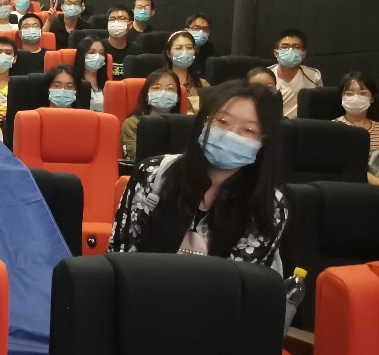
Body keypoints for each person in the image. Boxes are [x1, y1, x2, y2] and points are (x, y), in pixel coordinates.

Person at [110, 81, 287, 271]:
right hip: (141, 286)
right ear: (204, 122)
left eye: (249, 130)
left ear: (264, 141)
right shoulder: (151, 174)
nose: (230, 134)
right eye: (222, 121)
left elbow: (243, 280)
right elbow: (121, 254)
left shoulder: (270, 205)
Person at [334, 72, 379, 186]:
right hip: (349, 187)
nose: (355, 98)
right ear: (342, 98)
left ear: (372, 98)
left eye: (362, 93)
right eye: (349, 93)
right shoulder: (331, 129)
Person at [120, 69, 182, 161]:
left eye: (170, 88)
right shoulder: (133, 123)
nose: (163, 92)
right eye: (156, 88)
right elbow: (134, 156)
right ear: (146, 95)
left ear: (177, 97)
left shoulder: (184, 125)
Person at [268, 29, 322, 119]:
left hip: (303, 124)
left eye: (296, 47)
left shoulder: (314, 76)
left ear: (303, 54)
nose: (290, 51)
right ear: (276, 53)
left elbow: (319, 107)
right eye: (284, 47)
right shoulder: (265, 75)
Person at [164, 30, 208, 113]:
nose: (184, 52)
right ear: (168, 54)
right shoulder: (159, 83)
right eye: (178, 48)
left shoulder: (203, 84)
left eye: (189, 48)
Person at [0, 36, 18, 128]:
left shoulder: (19, 86)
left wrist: (9, 119)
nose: (3, 56)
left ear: (14, 59)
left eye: (8, 53)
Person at [74, 37, 110, 113]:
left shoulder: (108, 84)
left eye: (101, 53)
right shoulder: (73, 83)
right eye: (91, 52)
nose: (97, 56)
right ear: (82, 55)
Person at [105, 5, 135, 79]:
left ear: (130, 25)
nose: (116, 22)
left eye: (121, 19)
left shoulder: (136, 50)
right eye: (112, 19)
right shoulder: (99, 47)